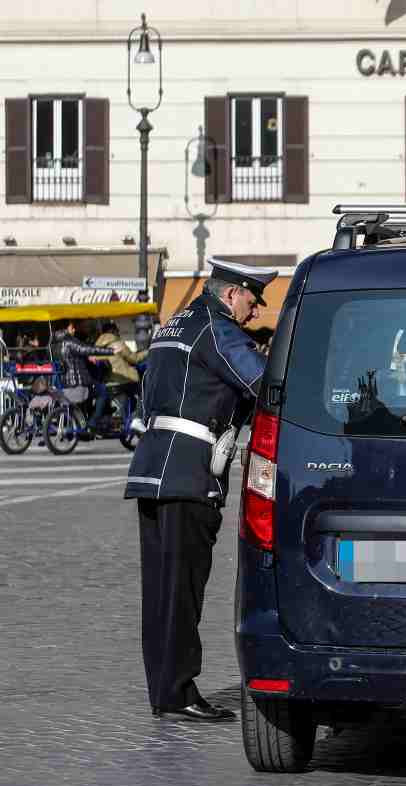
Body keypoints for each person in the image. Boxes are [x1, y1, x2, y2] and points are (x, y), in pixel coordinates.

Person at [125, 257, 277, 722]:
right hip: (189, 472)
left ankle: (164, 689)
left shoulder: (176, 323)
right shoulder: (217, 327)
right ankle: (179, 692)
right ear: (231, 293)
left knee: (161, 590)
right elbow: (264, 382)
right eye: (252, 300)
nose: (254, 313)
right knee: (183, 589)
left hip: (154, 466)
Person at [51, 319, 113, 437]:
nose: (74, 330)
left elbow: (72, 356)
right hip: (78, 382)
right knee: (103, 392)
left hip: (64, 384)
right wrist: (111, 351)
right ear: (65, 329)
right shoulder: (70, 341)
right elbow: (87, 349)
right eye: (71, 327)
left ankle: (82, 426)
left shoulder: (54, 344)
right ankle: (92, 423)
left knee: (86, 398)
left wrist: (86, 357)